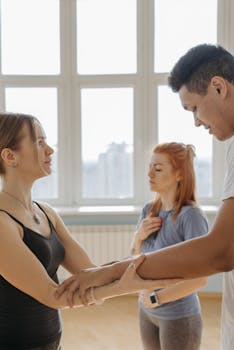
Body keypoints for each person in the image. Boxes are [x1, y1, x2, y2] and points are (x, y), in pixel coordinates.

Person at [56, 44, 234, 350]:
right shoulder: (151, 210)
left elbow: (221, 250)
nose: (196, 122)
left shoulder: (190, 214)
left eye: (193, 108)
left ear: (218, 87)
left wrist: (110, 276)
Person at [0, 112, 177, 350]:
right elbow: (53, 295)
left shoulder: (47, 213)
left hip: (51, 340)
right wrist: (123, 286)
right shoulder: (2, 223)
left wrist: (133, 260)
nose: (50, 150)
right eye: (39, 142)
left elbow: (90, 274)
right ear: (10, 156)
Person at [131, 142, 208, 350]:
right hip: (147, 311)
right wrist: (138, 238)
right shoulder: (148, 210)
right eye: (149, 167)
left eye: (157, 169)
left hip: (179, 316)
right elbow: (134, 261)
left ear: (179, 174)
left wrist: (157, 298)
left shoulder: (191, 217)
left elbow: (200, 278)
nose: (149, 174)